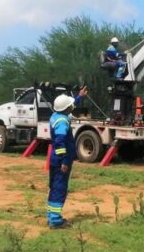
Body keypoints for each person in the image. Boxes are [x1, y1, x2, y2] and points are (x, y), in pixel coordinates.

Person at [46, 87, 87, 229]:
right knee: (59, 188)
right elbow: (59, 142)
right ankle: (56, 221)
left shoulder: (56, 116)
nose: (72, 106)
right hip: (60, 160)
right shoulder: (62, 122)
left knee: (54, 187)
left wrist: (79, 97)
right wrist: (64, 160)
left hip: (54, 159)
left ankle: (51, 216)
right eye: (70, 104)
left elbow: (69, 106)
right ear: (67, 108)